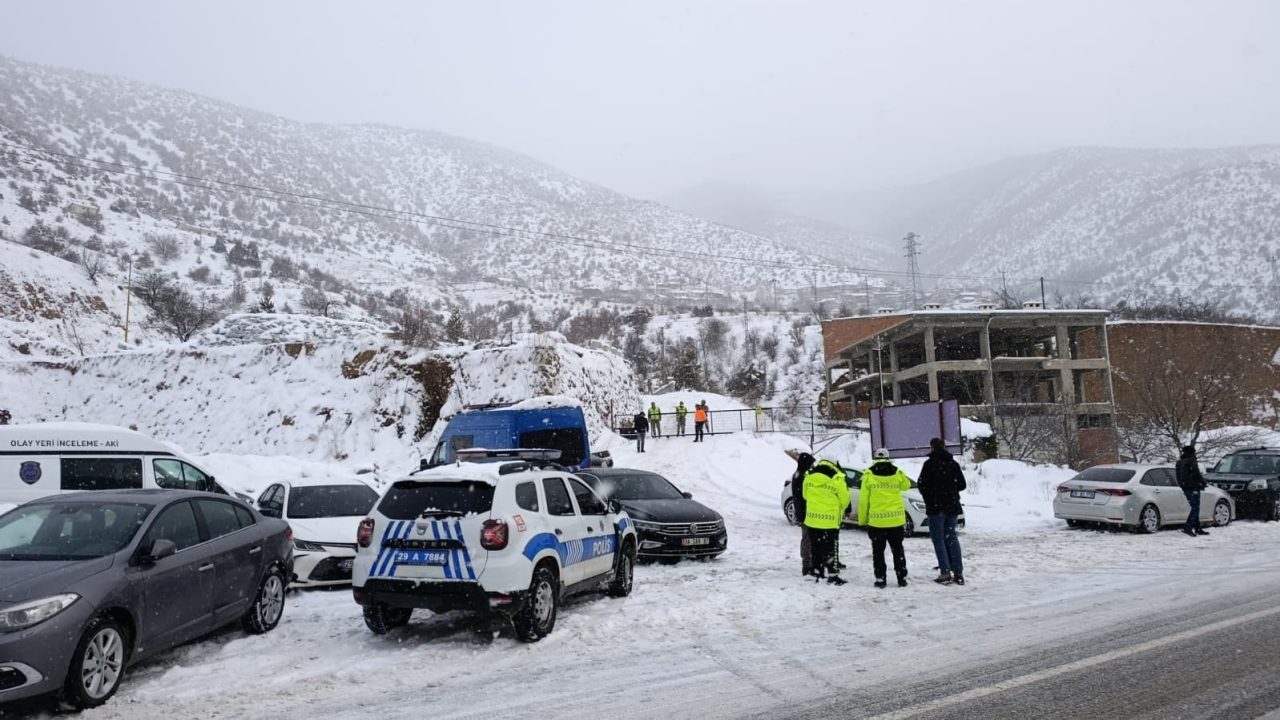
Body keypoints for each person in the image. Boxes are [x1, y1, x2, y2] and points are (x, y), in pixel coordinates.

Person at [917, 438, 967, 586]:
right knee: (951, 537)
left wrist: (931, 496)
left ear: (932, 448)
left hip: (935, 507)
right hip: (952, 506)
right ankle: (958, 571)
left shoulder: (929, 464)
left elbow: (922, 485)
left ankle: (945, 571)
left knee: (938, 539)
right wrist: (951, 490)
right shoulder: (953, 464)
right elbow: (962, 484)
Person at [859, 448, 912, 588]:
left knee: (878, 552)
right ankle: (901, 578)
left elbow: (864, 500)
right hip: (896, 521)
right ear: (888, 458)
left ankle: (880, 579)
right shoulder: (897, 472)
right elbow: (906, 485)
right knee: (898, 550)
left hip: (877, 522)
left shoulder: (868, 475)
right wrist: (898, 473)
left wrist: (863, 519)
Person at [803, 457, 850, 584]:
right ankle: (832, 576)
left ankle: (818, 571)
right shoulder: (837, 478)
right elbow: (845, 500)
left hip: (812, 520)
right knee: (830, 549)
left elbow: (805, 495)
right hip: (829, 522)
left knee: (815, 547)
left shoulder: (809, 476)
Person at [791, 452, 816, 575]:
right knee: (807, 539)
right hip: (805, 512)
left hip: (802, 511)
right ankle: (807, 565)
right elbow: (803, 496)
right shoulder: (802, 476)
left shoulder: (798, 475)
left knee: (807, 538)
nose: (813, 466)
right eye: (811, 464)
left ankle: (808, 562)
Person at [1176, 445, 1209, 536]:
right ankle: (1188, 527)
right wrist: (1203, 482)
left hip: (1185, 487)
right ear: (1192, 452)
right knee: (1195, 508)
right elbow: (1196, 473)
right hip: (1193, 487)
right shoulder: (1191, 460)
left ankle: (1197, 527)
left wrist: (1182, 485)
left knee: (1194, 507)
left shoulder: (1180, 462)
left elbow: (1178, 476)